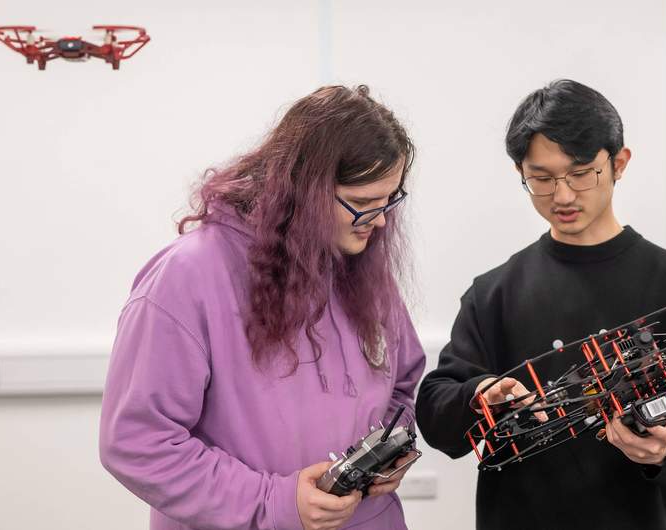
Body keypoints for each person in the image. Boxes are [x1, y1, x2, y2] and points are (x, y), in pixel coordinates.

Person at [415, 79, 666, 530]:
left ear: (619, 163)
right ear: (520, 173)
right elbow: (436, 413)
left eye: (582, 172)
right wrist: (481, 394)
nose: (563, 196)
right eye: (542, 179)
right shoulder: (494, 294)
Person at [100, 85, 426, 530]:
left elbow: (404, 384)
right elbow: (138, 441)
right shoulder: (189, 276)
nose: (382, 219)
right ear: (303, 191)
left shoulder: (360, 264)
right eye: (364, 204)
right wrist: (273, 503)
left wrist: (385, 452)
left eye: (390, 200)